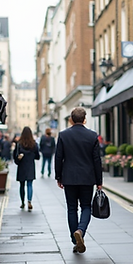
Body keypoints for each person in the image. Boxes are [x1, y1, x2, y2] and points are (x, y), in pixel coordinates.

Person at [54, 107, 103, 254]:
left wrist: (58, 177)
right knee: (86, 207)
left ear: (71, 119)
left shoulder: (63, 135)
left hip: (69, 177)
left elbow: (58, 158)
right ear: (85, 119)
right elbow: (97, 161)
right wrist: (99, 181)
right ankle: (80, 231)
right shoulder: (92, 136)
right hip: (88, 178)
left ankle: (75, 240)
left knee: (71, 208)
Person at [14, 126, 41, 210]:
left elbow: (15, 157)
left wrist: (19, 158)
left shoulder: (19, 144)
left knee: (22, 185)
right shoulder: (34, 144)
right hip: (30, 166)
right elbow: (37, 156)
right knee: (29, 184)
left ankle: (22, 202)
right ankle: (29, 201)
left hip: (22, 166)